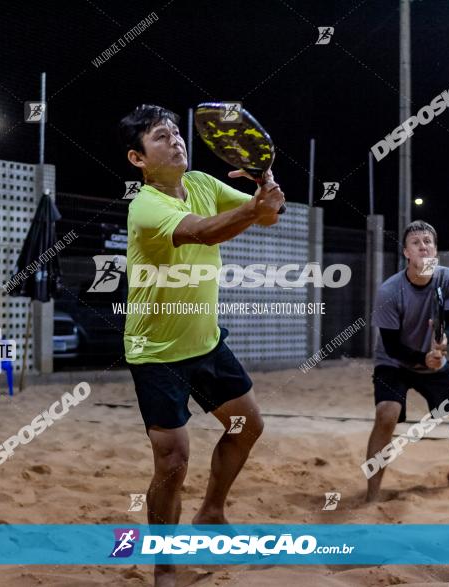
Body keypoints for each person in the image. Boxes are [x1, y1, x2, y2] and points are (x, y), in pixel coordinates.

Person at [118, 104, 285, 586]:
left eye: (176, 133)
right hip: (156, 352)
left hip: (205, 341)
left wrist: (268, 193)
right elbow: (202, 230)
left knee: (247, 425)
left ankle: (211, 513)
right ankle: (165, 566)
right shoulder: (145, 204)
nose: (176, 141)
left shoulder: (205, 185)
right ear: (138, 159)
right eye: (160, 137)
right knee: (172, 461)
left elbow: (267, 217)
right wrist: (256, 208)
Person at [365, 220, 449, 502]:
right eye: (416, 242)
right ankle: (371, 496)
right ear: (406, 252)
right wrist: (422, 358)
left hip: (433, 363)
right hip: (395, 362)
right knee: (386, 414)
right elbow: (391, 346)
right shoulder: (390, 291)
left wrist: (444, 342)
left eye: (428, 241)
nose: (423, 246)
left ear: (436, 249)